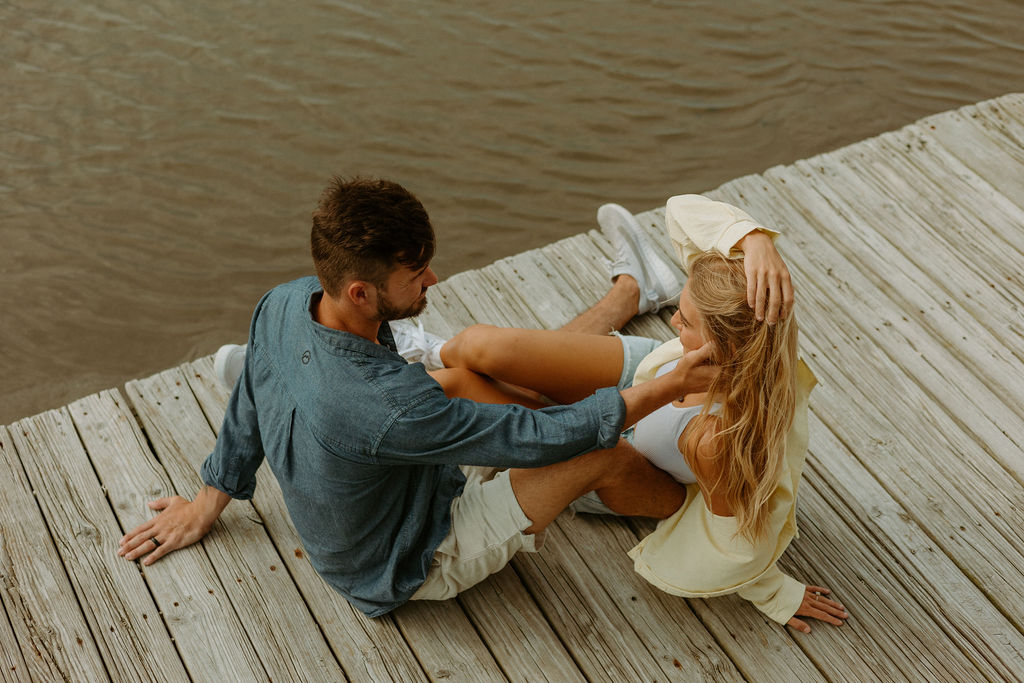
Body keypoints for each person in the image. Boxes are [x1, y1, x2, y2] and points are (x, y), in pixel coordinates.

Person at [117, 176, 728, 617]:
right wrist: (666, 386)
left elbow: (250, 394)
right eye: (416, 274)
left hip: (395, 467)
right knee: (602, 455)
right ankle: (696, 519)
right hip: (411, 556)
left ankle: (630, 297)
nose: (433, 279)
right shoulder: (388, 408)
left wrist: (207, 501)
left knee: (471, 378)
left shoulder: (284, 303)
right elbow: (529, 440)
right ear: (360, 293)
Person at [416, 196, 847, 633]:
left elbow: (733, 537)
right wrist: (754, 242)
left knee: (461, 386)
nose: (675, 319)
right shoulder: (713, 344)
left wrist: (772, 589)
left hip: (617, 458)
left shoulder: (716, 437)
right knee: (478, 348)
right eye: (680, 305)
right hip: (653, 374)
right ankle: (634, 290)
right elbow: (681, 209)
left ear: (726, 347)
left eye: (687, 321)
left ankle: (630, 291)